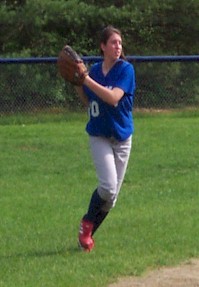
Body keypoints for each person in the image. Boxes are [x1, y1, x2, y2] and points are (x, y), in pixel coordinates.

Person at [75, 25, 136, 252]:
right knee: (108, 187)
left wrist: (85, 79)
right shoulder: (95, 71)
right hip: (99, 135)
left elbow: (112, 98)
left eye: (120, 43)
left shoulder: (125, 70)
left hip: (122, 137)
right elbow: (87, 100)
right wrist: (76, 82)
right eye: (113, 42)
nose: (118, 46)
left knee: (111, 200)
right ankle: (86, 224)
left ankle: (86, 237)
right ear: (103, 47)